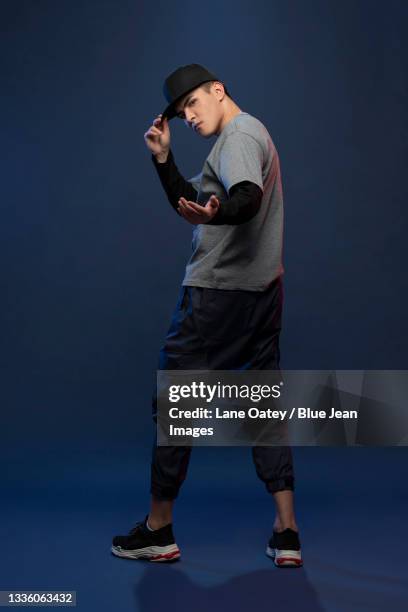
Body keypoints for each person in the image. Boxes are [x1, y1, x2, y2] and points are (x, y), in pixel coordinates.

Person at [111, 64, 302, 567]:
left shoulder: (238, 135)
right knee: (262, 405)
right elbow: (194, 201)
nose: (189, 116)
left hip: (216, 296)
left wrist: (218, 213)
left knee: (176, 403)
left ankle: (158, 530)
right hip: (263, 294)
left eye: (193, 103)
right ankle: (286, 534)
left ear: (218, 90)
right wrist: (164, 160)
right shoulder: (248, 135)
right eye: (180, 112)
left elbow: (244, 199)